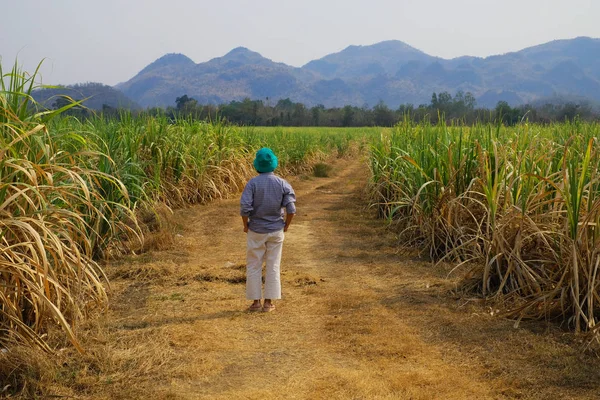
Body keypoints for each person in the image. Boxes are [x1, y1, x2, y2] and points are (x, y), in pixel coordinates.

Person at [240, 148, 296, 312]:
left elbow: (245, 208)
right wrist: (286, 225)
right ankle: (268, 303)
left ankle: (256, 302)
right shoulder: (282, 183)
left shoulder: (252, 183)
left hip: (256, 229)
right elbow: (291, 209)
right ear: (274, 165)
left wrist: (245, 225)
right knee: (273, 265)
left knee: (254, 264)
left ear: (257, 165)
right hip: (276, 229)